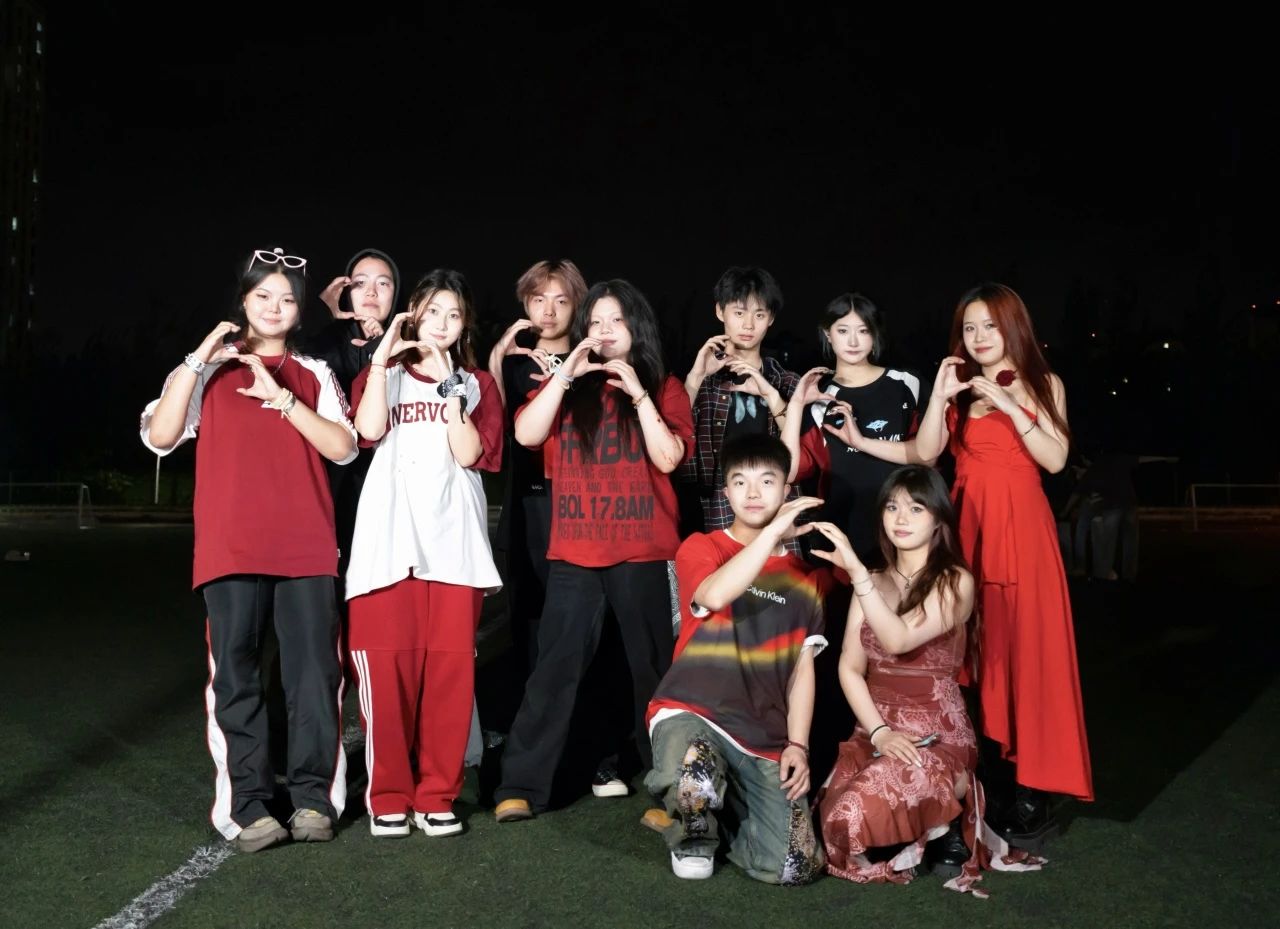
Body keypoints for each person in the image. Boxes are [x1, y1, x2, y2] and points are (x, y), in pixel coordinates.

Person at [854, 282, 1094, 849]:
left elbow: (1056, 458)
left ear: (1014, 327)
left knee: (1028, 653)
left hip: (1023, 535)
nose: (979, 337)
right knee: (972, 652)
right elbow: (926, 453)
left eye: (990, 325)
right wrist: (938, 397)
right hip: (968, 530)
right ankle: (988, 777)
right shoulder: (957, 390)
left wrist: (1010, 405)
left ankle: (1034, 785)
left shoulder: (1045, 383)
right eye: (969, 328)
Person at [140, 247, 356, 853]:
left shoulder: (313, 372)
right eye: (263, 295)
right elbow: (160, 437)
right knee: (236, 678)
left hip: (306, 546)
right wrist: (197, 359)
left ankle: (313, 799)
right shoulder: (209, 370)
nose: (274, 307)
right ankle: (250, 806)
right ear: (243, 301)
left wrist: (283, 399)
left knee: (314, 677)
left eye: (287, 299)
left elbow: (342, 448)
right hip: (230, 547)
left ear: (300, 311)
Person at [492, 279, 694, 822]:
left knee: (653, 673)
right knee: (553, 671)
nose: (605, 331)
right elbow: (527, 435)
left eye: (616, 321)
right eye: (596, 322)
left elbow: (669, 457)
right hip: (575, 554)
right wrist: (565, 376)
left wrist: (639, 393)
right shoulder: (568, 386)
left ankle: (672, 791)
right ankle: (521, 785)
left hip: (643, 553)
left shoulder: (664, 385)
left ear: (636, 327)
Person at [815, 466, 1038, 893]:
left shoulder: (956, 581)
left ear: (938, 519)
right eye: (892, 507)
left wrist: (857, 576)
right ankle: (927, 820)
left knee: (853, 815)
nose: (901, 518)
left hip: (936, 736)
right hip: (876, 732)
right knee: (832, 826)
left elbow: (897, 639)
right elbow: (849, 667)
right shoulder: (875, 579)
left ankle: (950, 806)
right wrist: (879, 733)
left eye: (916, 508)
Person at [345, 269, 503, 838]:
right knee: (387, 677)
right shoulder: (383, 373)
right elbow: (367, 428)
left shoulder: (477, 383)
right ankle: (388, 796)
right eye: (432, 311)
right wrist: (383, 358)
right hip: (388, 546)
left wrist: (449, 384)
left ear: (465, 325)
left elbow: (468, 453)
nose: (441, 324)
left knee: (448, 679)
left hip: (454, 549)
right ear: (412, 312)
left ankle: (437, 795)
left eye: (453, 315)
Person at [644, 434, 828, 884]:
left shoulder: (807, 580)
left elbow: (803, 671)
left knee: (796, 867)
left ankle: (720, 813)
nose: (752, 493)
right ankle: (694, 837)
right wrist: (771, 535)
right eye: (740, 482)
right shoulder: (702, 547)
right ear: (726, 493)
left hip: (761, 732)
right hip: (694, 712)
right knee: (694, 772)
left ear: (787, 490)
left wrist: (798, 746)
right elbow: (714, 595)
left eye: (767, 481)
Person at [486, 260, 587, 675]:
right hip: (529, 506)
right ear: (525, 303)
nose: (548, 310)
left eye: (561, 301)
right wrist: (496, 358)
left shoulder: (589, 360)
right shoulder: (513, 364)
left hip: (582, 507)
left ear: (576, 305)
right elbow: (492, 432)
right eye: (538, 299)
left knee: (580, 618)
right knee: (529, 619)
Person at [780, 292, 922, 563]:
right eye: (843, 331)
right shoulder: (820, 397)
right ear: (828, 334)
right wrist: (796, 405)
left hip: (904, 527)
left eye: (863, 330)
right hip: (841, 531)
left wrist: (863, 442)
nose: (853, 341)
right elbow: (789, 472)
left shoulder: (906, 384)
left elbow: (928, 455)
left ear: (874, 333)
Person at [680, 267, 800, 538]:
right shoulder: (700, 377)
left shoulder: (785, 380)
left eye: (759, 315)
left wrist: (772, 396)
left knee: (776, 567)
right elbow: (674, 432)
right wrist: (695, 378)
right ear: (720, 311)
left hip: (773, 502)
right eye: (739, 313)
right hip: (713, 504)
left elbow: (799, 446)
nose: (748, 325)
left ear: (771, 318)